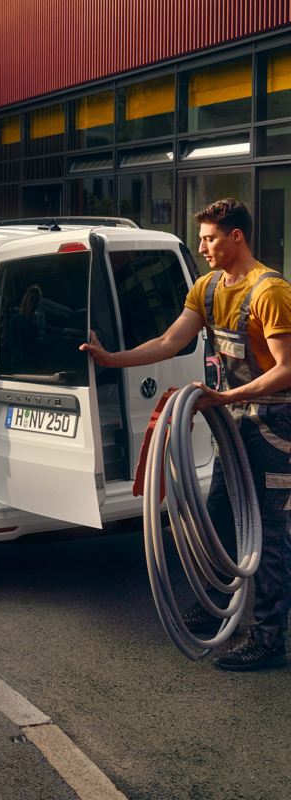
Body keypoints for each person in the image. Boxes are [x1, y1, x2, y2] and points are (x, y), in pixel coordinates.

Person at [81, 198, 291, 672]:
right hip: (234, 424)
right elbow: (169, 342)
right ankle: (218, 609)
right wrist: (111, 359)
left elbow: (286, 370)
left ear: (237, 235)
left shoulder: (270, 292)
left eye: (211, 238)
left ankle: (269, 638)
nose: (203, 247)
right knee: (217, 516)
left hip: (275, 428)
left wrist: (226, 398)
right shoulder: (208, 287)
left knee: (273, 537)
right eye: (201, 239)